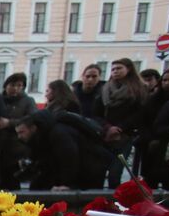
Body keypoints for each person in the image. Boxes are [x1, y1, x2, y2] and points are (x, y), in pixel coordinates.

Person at [15, 111, 113, 189]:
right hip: (86, 168)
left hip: (91, 168)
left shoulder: (58, 133)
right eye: (18, 133)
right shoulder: (44, 136)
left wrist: (66, 184)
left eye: (22, 132)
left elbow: (69, 158)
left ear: (33, 128)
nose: (19, 136)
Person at [95, 58, 148, 187]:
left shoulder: (138, 89)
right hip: (105, 135)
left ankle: (116, 200)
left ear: (128, 69)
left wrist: (120, 128)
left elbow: (140, 113)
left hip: (125, 135)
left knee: (115, 171)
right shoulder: (104, 89)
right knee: (99, 170)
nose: (115, 71)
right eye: (113, 69)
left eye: (119, 68)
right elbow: (96, 113)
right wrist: (107, 128)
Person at [0, 73, 36, 189]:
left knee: (13, 182)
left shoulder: (27, 101)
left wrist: (10, 123)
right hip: (0, 148)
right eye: (12, 85)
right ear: (6, 86)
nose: (16, 88)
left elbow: (32, 119)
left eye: (20, 85)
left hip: (17, 148)